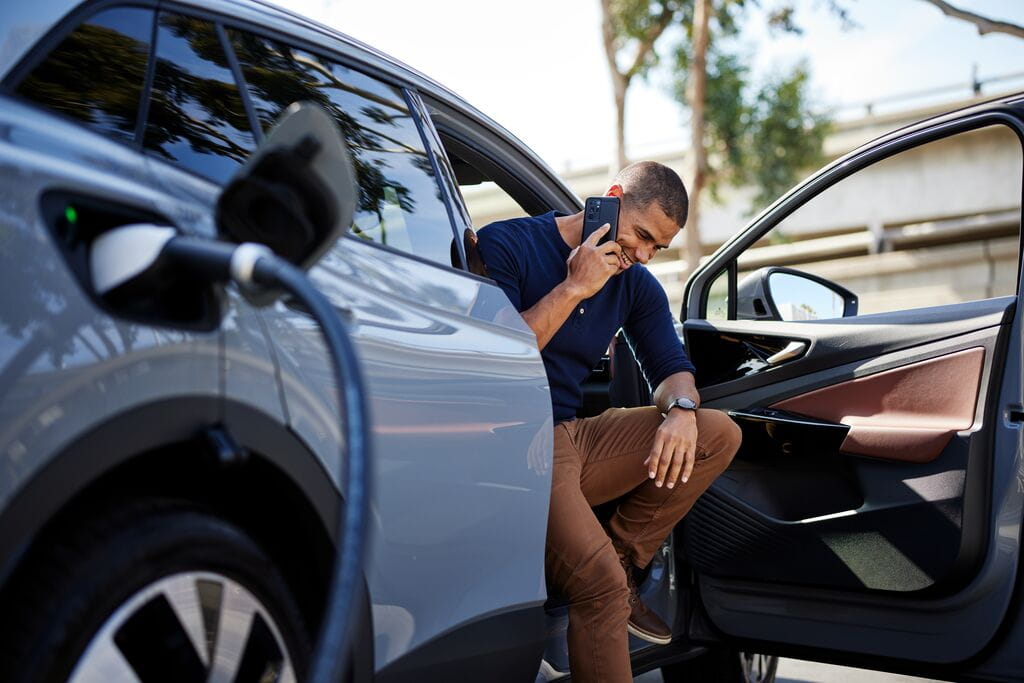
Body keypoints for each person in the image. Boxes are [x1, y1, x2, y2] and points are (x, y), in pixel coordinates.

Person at [476, 161, 741, 682]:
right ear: (613, 197)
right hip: (510, 443)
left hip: (569, 438)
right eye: (642, 235)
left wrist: (682, 411)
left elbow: (672, 369)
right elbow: (499, 359)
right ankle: (608, 578)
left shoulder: (636, 285)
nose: (643, 255)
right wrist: (575, 287)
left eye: (657, 248)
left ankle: (623, 556)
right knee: (594, 585)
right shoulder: (507, 242)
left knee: (717, 432)